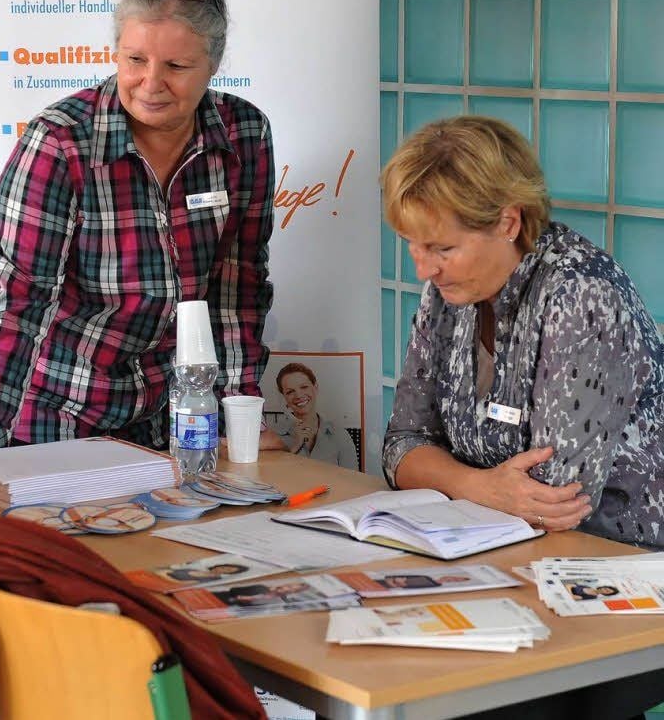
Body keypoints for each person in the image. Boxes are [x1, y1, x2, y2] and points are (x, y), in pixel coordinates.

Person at [0, 0, 275, 456]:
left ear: (213, 65)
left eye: (176, 66)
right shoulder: (60, 143)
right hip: (57, 408)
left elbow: (237, 288)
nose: (151, 83)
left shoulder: (245, 134)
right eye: (135, 59)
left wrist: (237, 414)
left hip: (171, 411)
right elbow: (14, 307)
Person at [381, 115, 664, 549]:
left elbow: (554, 500)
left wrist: (449, 476)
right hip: (497, 544)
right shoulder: (445, 290)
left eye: (443, 248)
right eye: (412, 244)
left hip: (618, 559)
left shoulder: (582, 294)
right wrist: (478, 486)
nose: (423, 269)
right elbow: (401, 445)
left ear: (508, 223)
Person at [273, 362, 359, 469]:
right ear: (284, 397)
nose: (298, 395)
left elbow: (353, 478)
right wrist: (295, 447)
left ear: (315, 387)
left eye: (304, 387)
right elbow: (271, 476)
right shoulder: (273, 436)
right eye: (290, 392)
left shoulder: (340, 435)